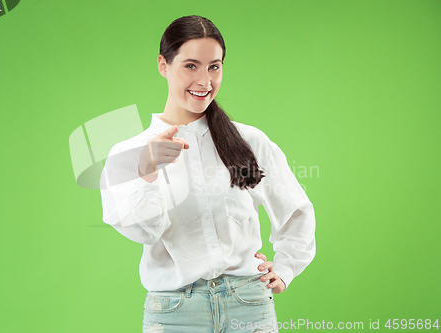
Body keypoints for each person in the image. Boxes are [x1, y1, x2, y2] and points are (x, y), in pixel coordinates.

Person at [99, 15, 316, 333]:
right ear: (163, 65)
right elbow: (144, 232)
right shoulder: (128, 154)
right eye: (191, 66)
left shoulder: (249, 141)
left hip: (249, 307)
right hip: (174, 312)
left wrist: (285, 267)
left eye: (214, 66)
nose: (205, 81)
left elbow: (296, 210)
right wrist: (147, 171)